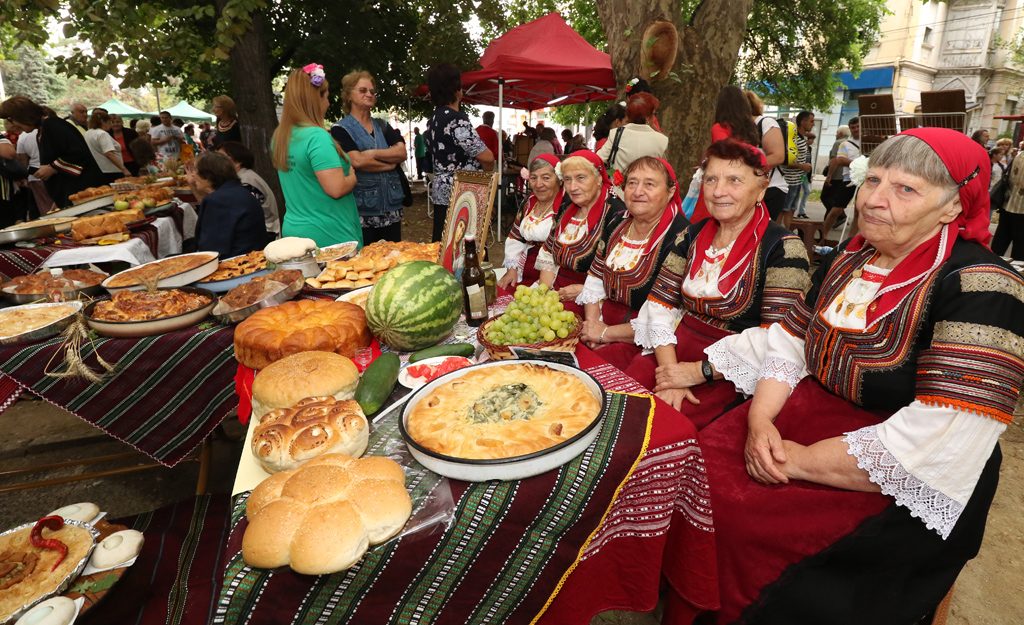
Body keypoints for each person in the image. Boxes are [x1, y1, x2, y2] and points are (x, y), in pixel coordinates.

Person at [697, 128, 1021, 624]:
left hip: (904, 461)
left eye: (905, 188)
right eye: (873, 180)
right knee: (695, 463)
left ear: (953, 207)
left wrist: (799, 460)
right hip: (811, 415)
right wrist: (760, 420)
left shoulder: (984, 286)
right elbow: (790, 341)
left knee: (744, 517)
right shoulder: (851, 256)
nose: (875, 199)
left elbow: (946, 431)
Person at [624, 139, 810, 425]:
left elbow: (781, 336)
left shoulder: (784, 248)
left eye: (734, 180)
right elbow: (660, 304)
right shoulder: (689, 236)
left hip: (731, 370)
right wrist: (672, 373)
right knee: (619, 401)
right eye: (711, 179)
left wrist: (699, 372)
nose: (719, 191)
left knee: (664, 427)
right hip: (671, 352)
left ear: (761, 189)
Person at [575, 157, 690, 367]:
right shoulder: (618, 221)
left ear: (671, 191)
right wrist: (594, 326)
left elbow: (668, 316)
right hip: (601, 322)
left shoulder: (682, 237)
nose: (638, 191)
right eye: (632, 183)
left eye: (649, 184)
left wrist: (606, 334)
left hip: (645, 339)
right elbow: (595, 276)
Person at [272, 64, 360, 248]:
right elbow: (336, 189)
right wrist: (352, 177)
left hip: (294, 231)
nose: (328, 104)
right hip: (329, 236)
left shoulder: (280, 136)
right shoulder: (317, 137)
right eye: (326, 98)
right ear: (314, 100)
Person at [536, 150, 626, 300]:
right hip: (556, 293)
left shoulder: (616, 214)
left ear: (598, 179)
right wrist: (545, 293)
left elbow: (623, 274)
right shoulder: (566, 209)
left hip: (595, 300)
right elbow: (548, 254)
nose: (572, 187)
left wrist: (586, 290)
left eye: (581, 178)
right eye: (567, 179)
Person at [332, 70, 406, 244]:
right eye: (363, 90)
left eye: (372, 92)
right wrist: (389, 164)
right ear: (348, 94)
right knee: (367, 262)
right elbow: (357, 161)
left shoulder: (382, 125)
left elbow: (401, 153)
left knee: (393, 259)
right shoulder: (340, 129)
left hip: (392, 208)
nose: (369, 94)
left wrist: (372, 154)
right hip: (364, 211)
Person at [424, 62, 494, 242]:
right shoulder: (456, 119)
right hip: (463, 192)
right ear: (456, 88)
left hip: (442, 193)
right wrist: (488, 179)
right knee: (466, 248)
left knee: (444, 245)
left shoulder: (433, 120)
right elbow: (486, 157)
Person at [0, 95, 106, 208]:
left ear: (22, 115)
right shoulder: (43, 129)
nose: (13, 124)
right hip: (74, 194)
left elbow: (79, 152)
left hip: (86, 195)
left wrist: (52, 168)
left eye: (11, 119)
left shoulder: (52, 124)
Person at [689, 85, 762, 225]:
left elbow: (724, 152)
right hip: (743, 181)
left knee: (708, 221)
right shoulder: (750, 130)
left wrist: (707, 165)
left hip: (721, 181)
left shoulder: (719, 127)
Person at [498, 154, 563, 290]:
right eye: (533, 178)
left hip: (555, 272)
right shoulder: (528, 202)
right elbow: (516, 236)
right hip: (526, 265)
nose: (538, 184)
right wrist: (512, 270)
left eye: (546, 178)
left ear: (559, 179)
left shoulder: (566, 207)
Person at [186, 151, 267, 258]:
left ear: (207, 175)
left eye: (194, 171)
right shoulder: (236, 191)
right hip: (250, 258)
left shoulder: (218, 200)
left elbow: (211, 251)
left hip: (236, 265)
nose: (192, 175)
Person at [597, 92, 668, 182]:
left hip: (620, 193)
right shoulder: (661, 140)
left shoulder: (616, 134)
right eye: (653, 114)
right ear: (647, 117)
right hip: (649, 192)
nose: (654, 118)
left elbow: (597, 160)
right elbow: (664, 169)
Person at [218, 141, 280, 242]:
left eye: (221, 158)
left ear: (238, 162)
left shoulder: (247, 180)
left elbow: (241, 215)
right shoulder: (239, 178)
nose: (217, 163)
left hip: (265, 235)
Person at [746, 90, 790, 221]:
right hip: (749, 190)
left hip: (770, 189)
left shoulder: (765, 123)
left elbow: (777, 157)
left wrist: (744, 170)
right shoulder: (738, 127)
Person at [822, 116, 862, 235]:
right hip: (848, 179)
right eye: (853, 127)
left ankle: (850, 241)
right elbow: (839, 160)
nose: (856, 129)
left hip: (865, 181)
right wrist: (861, 163)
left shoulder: (869, 142)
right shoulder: (846, 144)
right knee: (836, 209)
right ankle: (822, 235)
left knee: (858, 212)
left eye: (858, 126)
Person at [780, 111, 814, 228]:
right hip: (789, 181)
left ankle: (788, 236)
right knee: (783, 210)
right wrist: (801, 166)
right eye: (811, 121)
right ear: (803, 122)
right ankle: (775, 237)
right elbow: (785, 160)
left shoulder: (803, 139)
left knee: (791, 210)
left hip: (797, 181)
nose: (813, 124)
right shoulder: (793, 139)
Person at [992, 140, 1024, 259]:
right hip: (1021, 208)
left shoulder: (1019, 155)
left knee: (1000, 242)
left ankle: (991, 267)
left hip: (1008, 203)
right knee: (1020, 248)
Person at [14, 126, 57, 215]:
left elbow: (22, 160)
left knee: (47, 208)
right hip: (56, 171)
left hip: (36, 176)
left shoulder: (23, 136)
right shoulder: (51, 130)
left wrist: (24, 177)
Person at [84, 110, 132, 183]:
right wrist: (124, 169)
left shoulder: (88, 133)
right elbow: (108, 153)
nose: (110, 125)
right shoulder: (102, 134)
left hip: (99, 169)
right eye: (110, 122)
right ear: (103, 122)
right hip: (111, 170)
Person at [794, 132, 815, 219]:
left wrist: (810, 173)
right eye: (811, 139)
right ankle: (796, 211)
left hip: (806, 173)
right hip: (800, 171)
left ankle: (801, 210)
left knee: (807, 190)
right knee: (797, 191)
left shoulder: (809, 148)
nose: (812, 141)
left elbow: (809, 160)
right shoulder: (801, 147)